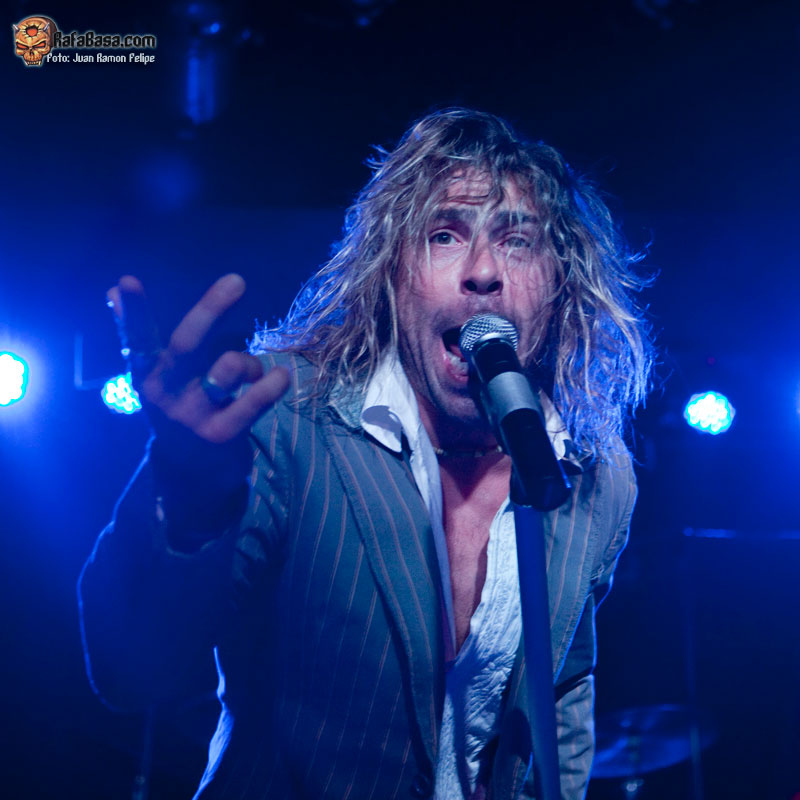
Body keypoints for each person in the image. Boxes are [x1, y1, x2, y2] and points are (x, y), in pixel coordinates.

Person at [79, 108, 652, 799]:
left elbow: (562, 689)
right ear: (393, 273)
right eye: (444, 235)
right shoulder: (288, 419)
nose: (482, 271)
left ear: (560, 284)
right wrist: (188, 502)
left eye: (518, 241)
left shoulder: (595, 475)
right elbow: (132, 673)